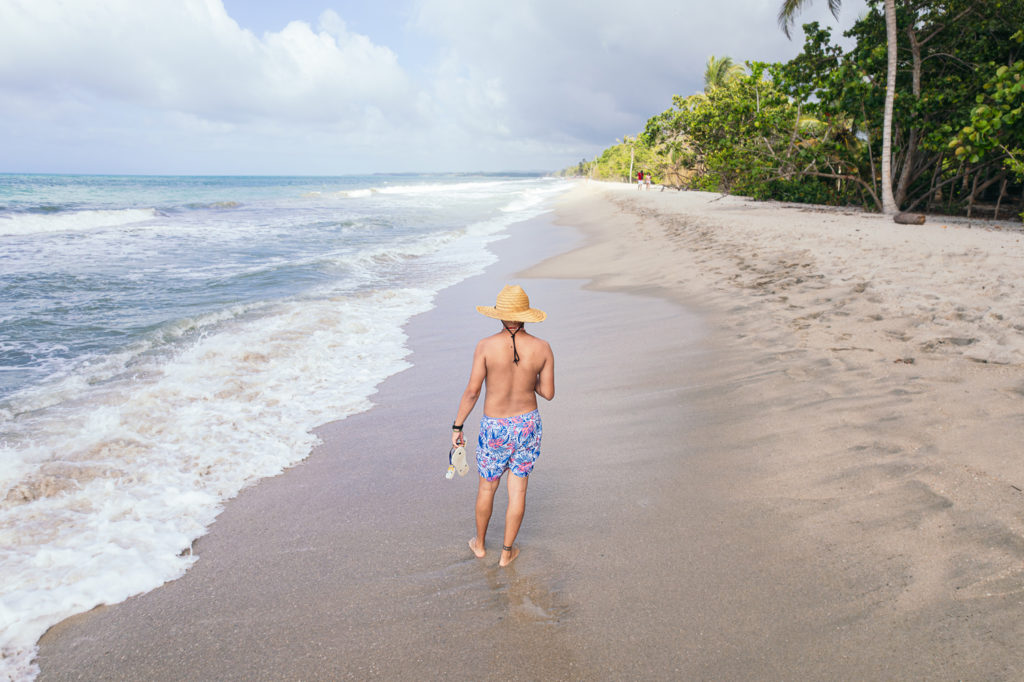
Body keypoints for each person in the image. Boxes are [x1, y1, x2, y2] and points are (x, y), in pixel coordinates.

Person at [451, 284, 555, 567]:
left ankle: (481, 545)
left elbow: (472, 392)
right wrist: (527, 377)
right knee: (518, 491)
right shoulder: (542, 348)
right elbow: (547, 393)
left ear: (499, 315)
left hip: (495, 426)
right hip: (527, 424)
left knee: (487, 487)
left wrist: (458, 427)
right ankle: (507, 553)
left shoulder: (485, 346)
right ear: (525, 316)